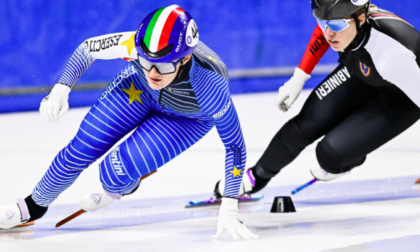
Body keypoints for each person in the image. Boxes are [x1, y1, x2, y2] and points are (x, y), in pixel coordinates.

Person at [0, 5, 258, 240]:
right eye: (146, 62)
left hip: (185, 118)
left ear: (185, 59)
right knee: (82, 148)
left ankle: (119, 185)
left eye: (164, 66)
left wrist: (229, 206)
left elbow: (235, 147)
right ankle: (31, 207)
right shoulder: (134, 45)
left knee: (116, 173)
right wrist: (61, 89)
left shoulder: (209, 85)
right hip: (137, 90)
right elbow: (88, 48)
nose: (153, 73)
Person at [215, 0, 420, 197]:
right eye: (322, 21)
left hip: (402, 98)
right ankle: (255, 177)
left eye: (337, 24)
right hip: (363, 72)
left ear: (361, 17)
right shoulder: (347, 26)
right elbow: (328, 28)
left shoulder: (393, 58)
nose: (328, 33)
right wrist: (300, 76)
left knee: (329, 155)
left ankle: (345, 158)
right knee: (305, 124)